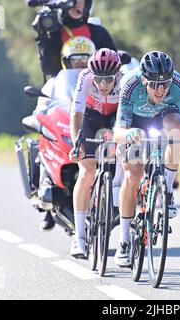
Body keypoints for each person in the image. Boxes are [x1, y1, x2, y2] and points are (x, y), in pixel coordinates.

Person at [113, 51, 180, 267]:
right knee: (133, 175)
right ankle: (123, 241)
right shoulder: (130, 85)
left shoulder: (179, 84)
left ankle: (167, 192)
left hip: (164, 116)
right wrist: (128, 134)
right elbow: (118, 132)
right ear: (144, 80)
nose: (161, 90)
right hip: (136, 121)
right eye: (154, 85)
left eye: (165, 85)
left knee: (176, 129)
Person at [31, 36, 96, 231]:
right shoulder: (54, 83)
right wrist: (40, 119)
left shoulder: (99, 82)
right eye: (75, 59)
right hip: (64, 128)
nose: (80, 64)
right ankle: (43, 194)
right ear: (66, 61)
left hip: (90, 131)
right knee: (40, 147)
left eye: (85, 59)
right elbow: (40, 109)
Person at [68, 48, 124, 258]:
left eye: (108, 79)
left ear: (117, 74)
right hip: (89, 119)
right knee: (87, 172)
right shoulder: (85, 77)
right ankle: (79, 237)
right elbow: (76, 115)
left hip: (115, 119)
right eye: (99, 79)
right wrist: (77, 144)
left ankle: (116, 190)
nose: (102, 85)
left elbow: (128, 119)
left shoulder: (125, 79)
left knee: (125, 155)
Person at [26, 0, 117, 77]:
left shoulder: (98, 32)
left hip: (95, 89)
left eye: (80, 0)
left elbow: (113, 64)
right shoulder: (54, 35)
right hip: (64, 92)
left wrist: (121, 57)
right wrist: (42, 37)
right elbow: (49, 69)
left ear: (87, 4)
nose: (76, 3)